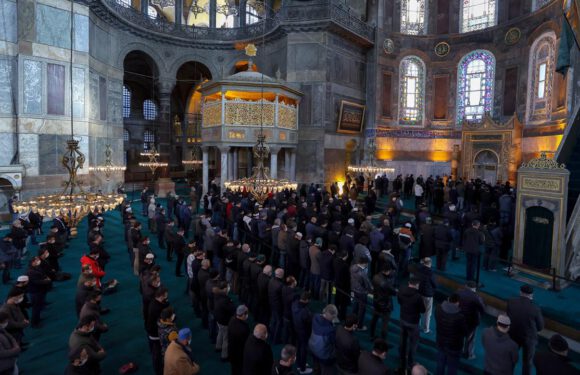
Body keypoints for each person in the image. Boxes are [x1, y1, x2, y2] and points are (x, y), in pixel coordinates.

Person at [506, 285, 544, 375]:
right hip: (529, 338)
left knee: (510, 358)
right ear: (531, 295)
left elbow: (509, 316)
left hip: (513, 334)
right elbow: (540, 327)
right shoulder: (535, 308)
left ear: (520, 292)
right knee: (527, 361)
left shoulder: (511, 302)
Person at [397, 276, 425, 373]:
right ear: (417, 285)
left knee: (402, 341)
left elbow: (399, 301)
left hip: (403, 319)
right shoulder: (418, 297)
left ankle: (401, 361)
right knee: (413, 344)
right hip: (413, 323)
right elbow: (423, 310)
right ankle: (410, 364)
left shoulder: (401, 290)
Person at [435, 293, 467, 375]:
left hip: (441, 342)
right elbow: (465, 332)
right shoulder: (460, 317)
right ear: (458, 302)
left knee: (440, 364)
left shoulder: (438, 308)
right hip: (454, 346)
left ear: (448, 299)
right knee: (452, 367)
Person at [457, 281, 485, 360]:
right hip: (471, 321)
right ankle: (468, 354)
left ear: (466, 286)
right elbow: (482, 309)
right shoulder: (477, 297)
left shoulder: (459, 292)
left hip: (459, 317)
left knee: (459, 335)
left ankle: (457, 350)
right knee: (470, 339)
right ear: (475, 288)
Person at [308, 304, 338, 375]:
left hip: (312, 347)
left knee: (316, 366)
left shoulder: (316, 316)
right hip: (324, 355)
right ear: (332, 317)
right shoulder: (331, 330)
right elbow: (333, 342)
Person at [370, 263, 396, 342]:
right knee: (385, 324)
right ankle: (383, 340)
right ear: (387, 271)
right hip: (385, 305)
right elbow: (394, 292)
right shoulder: (386, 283)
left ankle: (371, 335)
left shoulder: (375, 277)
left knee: (374, 319)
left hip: (376, 302)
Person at [292, 292, 313, 375]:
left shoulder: (294, 304)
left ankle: (299, 363)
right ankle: (303, 368)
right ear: (306, 300)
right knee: (303, 349)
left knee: (298, 346)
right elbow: (309, 322)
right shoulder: (305, 312)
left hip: (296, 329)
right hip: (303, 332)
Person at [214, 281, 235, 361]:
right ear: (225, 289)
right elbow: (232, 309)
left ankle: (218, 347)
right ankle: (224, 355)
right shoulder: (225, 300)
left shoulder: (217, 295)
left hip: (219, 319)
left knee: (220, 332)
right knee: (226, 338)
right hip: (224, 321)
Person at [350, 257, 372, 330]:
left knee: (355, 306)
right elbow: (367, 284)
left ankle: (352, 321)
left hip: (354, 290)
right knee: (361, 309)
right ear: (365, 263)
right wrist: (370, 290)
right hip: (362, 292)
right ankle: (359, 325)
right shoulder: (362, 273)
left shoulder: (352, 267)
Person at [228, 305, 251, 375]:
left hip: (231, 351)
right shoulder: (243, 329)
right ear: (243, 315)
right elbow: (246, 343)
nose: (247, 316)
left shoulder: (232, 320)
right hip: (239, 354)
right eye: (247, 314)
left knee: (234, 369)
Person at [416, 257, 436, 334]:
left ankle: (417, 325)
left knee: (418, 310)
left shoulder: (419, 269)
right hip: (428, 294)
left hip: (419, 292)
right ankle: (426, 329)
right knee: (427, 312)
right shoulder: (431, 272)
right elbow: (435, 284)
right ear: (430, 263)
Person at [0, 311, 20, 375]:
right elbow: (1, 353)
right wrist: (15, 350)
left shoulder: (1, 329)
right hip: (4, 367)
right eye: (5, 321)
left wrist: (15, 345)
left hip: (10, 363)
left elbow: (10, 337)